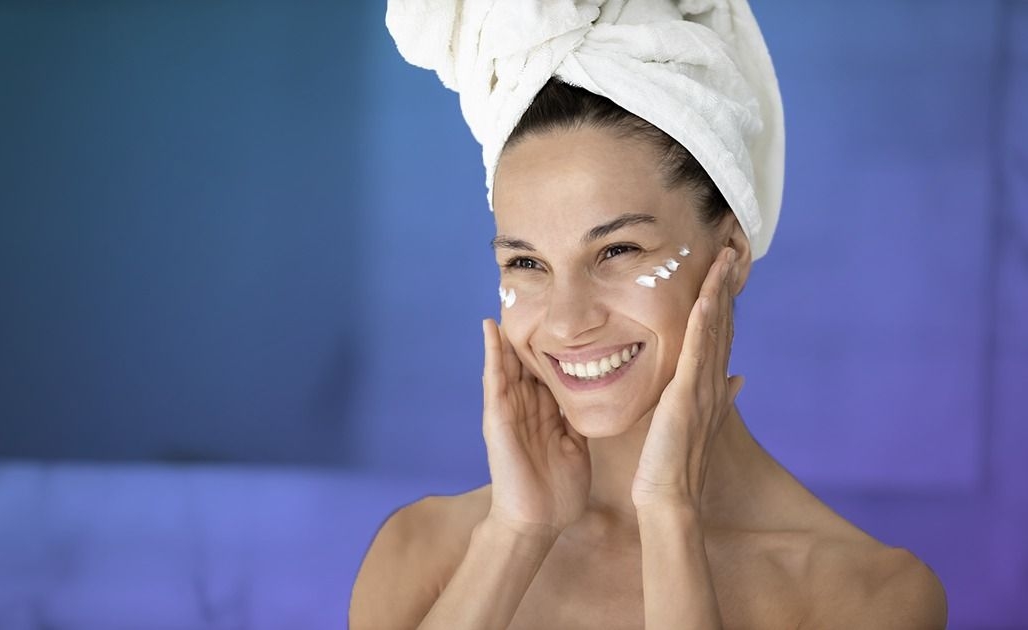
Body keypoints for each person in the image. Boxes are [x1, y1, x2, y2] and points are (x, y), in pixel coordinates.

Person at [350, 1, 948, 627]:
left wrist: (670, 513)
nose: (566, 322)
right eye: (526, 263)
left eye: (617, 250)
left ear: (732, 252)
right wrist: (517, 533)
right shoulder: (421, 554)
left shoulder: (867, 595)